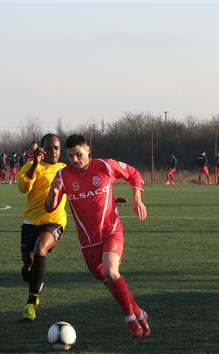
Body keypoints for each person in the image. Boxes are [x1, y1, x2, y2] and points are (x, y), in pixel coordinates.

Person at [45, 134, 151, 338]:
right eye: (70, 156)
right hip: (87, 242)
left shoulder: (105, 166)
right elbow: (50, 207)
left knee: (112, 270)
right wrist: (53, 192)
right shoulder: (63, 176)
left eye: (78, 154)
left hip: (111, 230)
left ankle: (130, 318)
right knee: (109, 280)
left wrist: (137, 198)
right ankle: (138, 312)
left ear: (88, 150)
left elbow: (133, 173)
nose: (75, 160)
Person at [17, 134, 67, 321]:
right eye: (50, 147)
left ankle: (31, 302)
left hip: (54, 221)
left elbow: (83, 189)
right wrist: (35, 164)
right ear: (42, 149)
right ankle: (32, 276)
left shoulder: (65, 170)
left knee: (40, 250)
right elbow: (23, 187)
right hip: (30, 222)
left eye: (57, 148)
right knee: (28, 266)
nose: (54, 151)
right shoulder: (31, 167)